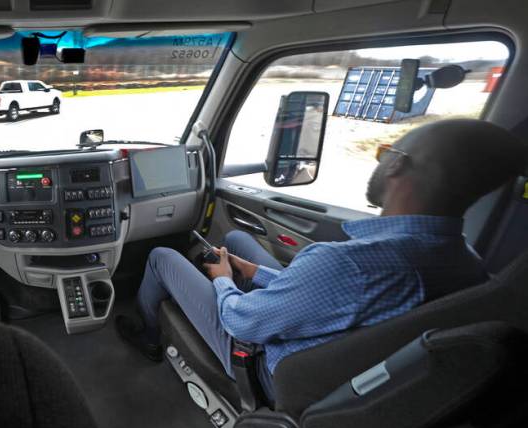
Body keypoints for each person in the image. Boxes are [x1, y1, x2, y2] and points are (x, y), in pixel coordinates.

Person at [117, 119, 527, 400]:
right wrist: (252, 272)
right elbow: (331, 299)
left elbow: (241, 320)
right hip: (338, 356)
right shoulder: (465, 262)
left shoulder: (349, 264)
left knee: (161, 256)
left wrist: (224, 279)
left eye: (386, 151)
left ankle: (150, 337)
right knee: (240, 237)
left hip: (269, 365)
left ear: (398, 164)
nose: (381, 158)